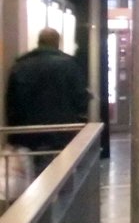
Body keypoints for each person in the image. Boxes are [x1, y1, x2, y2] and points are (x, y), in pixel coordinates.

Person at [4, 27, 89, 170]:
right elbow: (81, 99)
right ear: (57, 43)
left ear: (38, 42)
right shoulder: (69, 65)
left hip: (28, 136)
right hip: (61, 133)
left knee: (32, 173)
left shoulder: (20, 65)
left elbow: (11, 103)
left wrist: (13, 135)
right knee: (59, 173)